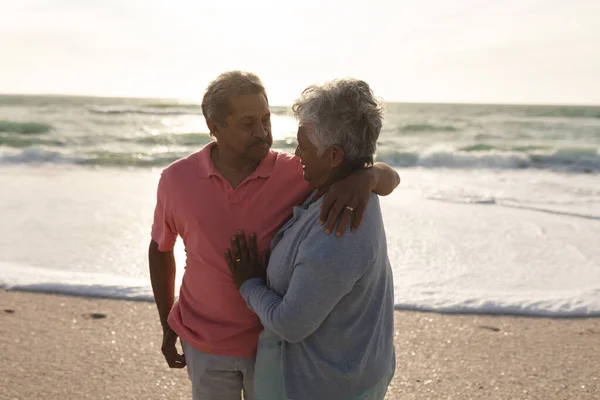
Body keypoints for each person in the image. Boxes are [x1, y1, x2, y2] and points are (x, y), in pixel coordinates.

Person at [149, 71, 400, 400]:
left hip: (268, 347)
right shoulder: (176, 180)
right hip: (203, 341)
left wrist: (370, 175)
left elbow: (381, 176)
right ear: (214, 127)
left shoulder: (299, 173)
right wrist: (167, 322)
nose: (262, 132)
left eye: (266, 119)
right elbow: (160, 247)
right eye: (247, 122)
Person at [226, 78, 395, 400]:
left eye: (303, 145)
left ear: (333, 155)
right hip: (347, 371)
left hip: (325, 386)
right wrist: (371, 174)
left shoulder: (339, 226)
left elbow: (290, 324)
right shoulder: (343, 188)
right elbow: (390, 176)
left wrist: (248, 283)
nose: (296, 152)